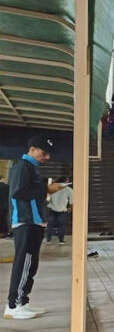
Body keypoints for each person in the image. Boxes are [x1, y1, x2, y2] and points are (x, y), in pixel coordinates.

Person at [6, 135, 56, 320]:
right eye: (44, 153)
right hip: (25, 221)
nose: (47, 158)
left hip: (33, 222)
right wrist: (46, 189)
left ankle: (23, 301)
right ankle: (14, 305)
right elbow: (19, 192)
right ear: (33, 149)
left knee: (30, 264)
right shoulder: (22, 167)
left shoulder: (31, 168)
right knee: (24, 263)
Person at [45, 175, 72, 245]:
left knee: (50, 225)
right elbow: (72, 201)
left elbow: (47, 198)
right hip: (62, 210)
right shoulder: (68, 190)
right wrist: (70, 208)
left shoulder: (52, 188)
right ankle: (61, 241)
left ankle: (48, 240)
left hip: (51, 208)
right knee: (62, 226)